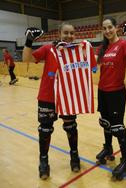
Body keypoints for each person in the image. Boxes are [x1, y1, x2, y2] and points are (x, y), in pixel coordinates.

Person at [22, 23, 83, 180]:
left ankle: (74, 156)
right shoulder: (49, 48)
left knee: (71, 127)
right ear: (59, 33)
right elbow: (26, 59)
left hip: (67, 96)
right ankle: (43, 162)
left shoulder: (77, 50)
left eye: (72, 33)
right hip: (47, 97)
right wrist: (29, 41)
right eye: (66, 33)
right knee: (45, 130)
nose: (69, 36)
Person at [95, 16, 126, 180]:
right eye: (104, 29)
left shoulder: (123, 44)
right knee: (106, 122)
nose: (107, 31)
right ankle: (108, 148)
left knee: (118, 127)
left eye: (110, 27)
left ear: (116, 28)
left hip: (116, 92)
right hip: (102, 91)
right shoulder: (102, 47)